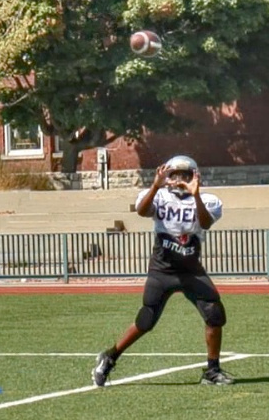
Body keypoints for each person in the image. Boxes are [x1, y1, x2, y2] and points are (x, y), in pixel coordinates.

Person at [93, 155, 234, 387]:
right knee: (146, 320)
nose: (179, 180)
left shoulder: (207, 200)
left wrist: (196, 195)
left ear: (195, 176)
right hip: (162, 270)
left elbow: (206, 223)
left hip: (191, 270)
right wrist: (155, 186)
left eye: (185, 175)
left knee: (215, 315)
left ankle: (212, 370)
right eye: (175, 175)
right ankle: (110, 356)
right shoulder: (159, 196)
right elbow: (142, 211)